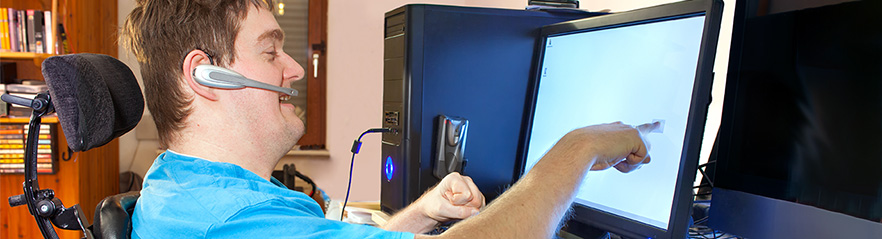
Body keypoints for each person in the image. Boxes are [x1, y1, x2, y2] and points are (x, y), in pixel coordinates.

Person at [120, 1, 657, 238]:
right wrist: (580, 146)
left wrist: (422, 212)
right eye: (270, 51)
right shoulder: (228, 222)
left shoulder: (189, 187)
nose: (292, 69)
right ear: (208, 76)